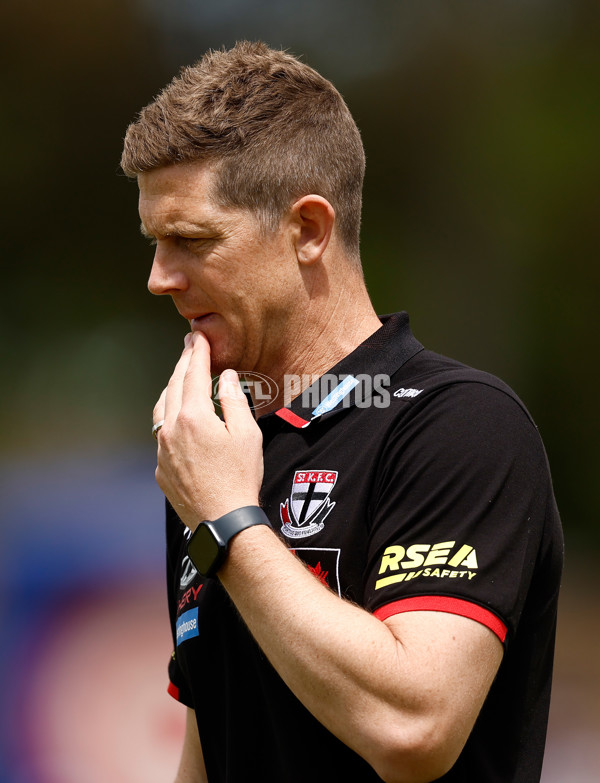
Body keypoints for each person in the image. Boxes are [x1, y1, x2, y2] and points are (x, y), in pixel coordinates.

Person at [121, 41, 563, 783]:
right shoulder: (218, 456)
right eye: (155, 242)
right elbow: (210, 752)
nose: (159, 277)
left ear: (308, 230)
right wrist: (217, 506)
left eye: (190, 240)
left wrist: (229, 521)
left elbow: (413, 728)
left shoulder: (460, 425)